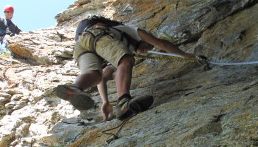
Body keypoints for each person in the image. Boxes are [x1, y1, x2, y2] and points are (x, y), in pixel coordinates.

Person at [54, 16, 202, 121]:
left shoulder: (117, 49)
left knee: (94, 74)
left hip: (82, 44)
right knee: (126, 60)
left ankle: (74, 88)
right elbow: (161, 44)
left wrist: (105, 102)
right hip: (98, 34)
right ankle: (124, 102)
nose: (147, 49)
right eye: (147, 46)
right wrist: (186, 55)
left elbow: (104, 78)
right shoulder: (129, 31)